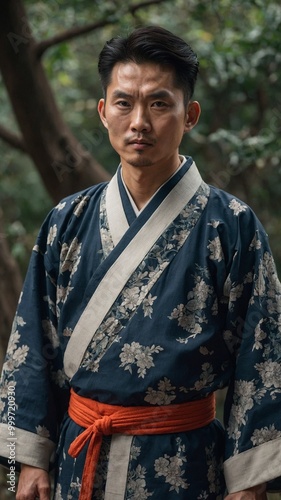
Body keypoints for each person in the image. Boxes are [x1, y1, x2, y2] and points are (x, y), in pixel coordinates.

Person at [0, 25, 280, 500]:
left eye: (158, 103)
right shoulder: (68, 221)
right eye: (125, 103)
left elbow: (264, 355)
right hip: (80, 459)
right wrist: (26, 461)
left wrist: (248, 484)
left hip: (186, 468)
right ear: (103, 110)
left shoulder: (231, 226)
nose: (139, 122)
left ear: (188, 114)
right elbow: (31, 341)